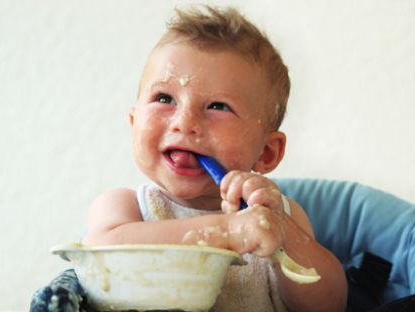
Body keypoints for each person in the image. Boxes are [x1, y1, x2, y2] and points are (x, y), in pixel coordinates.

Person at [81, 5, 347, 312]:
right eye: (164, 99)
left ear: (266, 152)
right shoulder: (126, 208)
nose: (185, 121)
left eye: (218, 106)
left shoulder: (272, 216)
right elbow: (102, 253)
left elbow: (330, 305)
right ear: (133, 124)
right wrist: (227, 232)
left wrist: (283, 234)